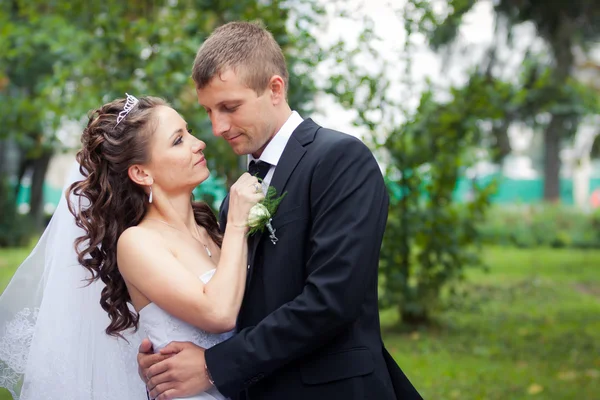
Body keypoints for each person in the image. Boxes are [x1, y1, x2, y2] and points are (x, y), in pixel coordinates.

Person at [139, 21, 422, 400]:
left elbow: (331, 301)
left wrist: (212, 366)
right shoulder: (235, 200)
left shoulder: (339, 159)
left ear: (275, 89)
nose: (217, 127)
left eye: (230, 107)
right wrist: (165, 351)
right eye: (209, 110)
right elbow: (236, 305)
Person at [0, 94, 264, 400]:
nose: (198, 143)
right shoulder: (138, 242)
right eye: (178, 140)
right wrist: (237, 224)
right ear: (141, 173)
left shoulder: (211, 228)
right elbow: (219, 313)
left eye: (189, 131)